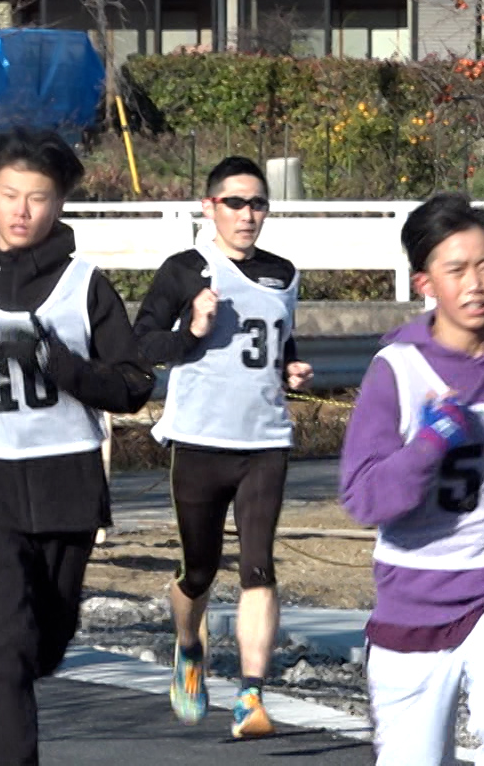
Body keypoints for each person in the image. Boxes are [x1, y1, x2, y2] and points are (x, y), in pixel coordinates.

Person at [0, 128, 155, 766]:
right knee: (7, 642)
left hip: (67, 483)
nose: (21, 210)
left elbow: (133, 385)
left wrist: (62, 366)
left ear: (58, 204)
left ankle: (33, 656)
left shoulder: (85, 286)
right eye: (9, 195)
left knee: (49, 639)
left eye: (37, 198)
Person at [338, 194, 484, 765]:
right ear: (425, 282)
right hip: (413, 599)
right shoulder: (397, 371)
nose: (476, 284)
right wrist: (429, 443)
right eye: (457, 270)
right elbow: (363, 498)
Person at [133, 157, 313, 738]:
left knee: (259, 565)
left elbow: (280, 341)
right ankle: (189, 642)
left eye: (258, 203)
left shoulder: (284, 272)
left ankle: (251, 696)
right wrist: (192, 331)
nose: (247, 214)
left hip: (265, 440)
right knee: (200, 569)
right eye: (234, 202)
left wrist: (291, 368)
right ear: (210, 207)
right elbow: (142, 344)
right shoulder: (184, 270)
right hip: (200, 440)